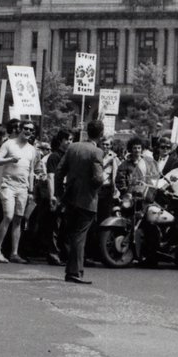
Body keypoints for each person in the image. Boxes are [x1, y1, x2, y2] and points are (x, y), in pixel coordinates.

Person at [56, 119, 106, 284]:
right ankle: (75, 272)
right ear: (101, 134)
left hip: (70, 197)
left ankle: (71, 270)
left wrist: (60, 192)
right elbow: (98, 178)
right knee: (79, 236)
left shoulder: (73, 147)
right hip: (87, 199)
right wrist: (94, 187)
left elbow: (59, 171)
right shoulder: (96, 152)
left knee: (73, 235)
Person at [0, 119, 38, 264]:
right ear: (20, 129)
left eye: (31, 130)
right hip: (8, 185)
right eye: (26, 128)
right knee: (8, 216)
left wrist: (31, 191)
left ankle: (14, 253)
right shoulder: (9, 144)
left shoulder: (32, 149)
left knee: (18, 219)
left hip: (23, 188)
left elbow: (31, 171)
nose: (28, 131)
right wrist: (10, 160)